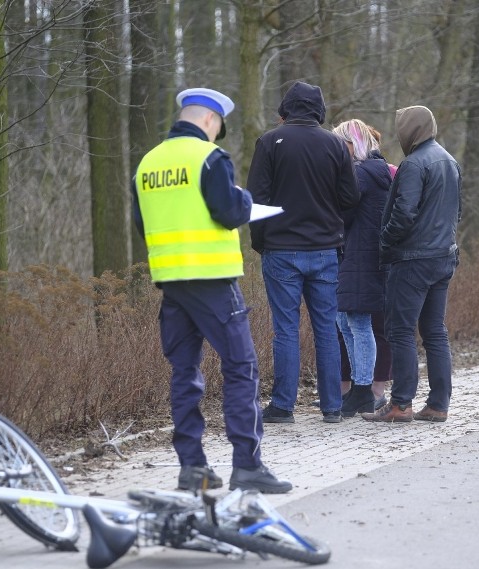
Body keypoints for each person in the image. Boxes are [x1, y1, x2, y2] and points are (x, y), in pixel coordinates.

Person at [132, 87, 292, 493]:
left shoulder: (147, 164)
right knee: (241, 368)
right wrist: (244, 199)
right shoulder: (209, 158)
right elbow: (228, 211)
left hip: (171, 283)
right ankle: (247, 465)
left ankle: (193, 467)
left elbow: (142, 223)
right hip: (213, 281)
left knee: (184, 372)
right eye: (217, 125)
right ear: (209, 120)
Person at [247, 81, 360, 424]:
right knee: (326, 328)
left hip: (281, 250)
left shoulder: (270, 142)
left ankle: (283, 406)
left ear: (285, 110)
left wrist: (261, 242)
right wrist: (333, 226)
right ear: (319, 111)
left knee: (286, 329)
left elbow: (256, 199)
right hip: (326, 249)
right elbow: (351, 197)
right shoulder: (336, 145)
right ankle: (332, 407)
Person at [362, 105, 461, 423]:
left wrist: (386, 241)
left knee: (400, 330)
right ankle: (438, 404)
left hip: (413, 259)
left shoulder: (414, 164)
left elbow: (404, 212)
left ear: (411, 131)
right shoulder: (449, 160)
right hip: (444, 257)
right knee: (435, 331)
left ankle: (401, 404)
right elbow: (455, 212)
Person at [330, 119, 392, 416]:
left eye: (340, 145)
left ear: (352, 144)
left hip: (360, 257)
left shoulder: (361, 173)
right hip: (361, 256)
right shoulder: (374, 170)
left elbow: (343, 212)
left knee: (357, 323)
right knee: (346, 321)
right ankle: (359, 388)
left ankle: (363, 389)